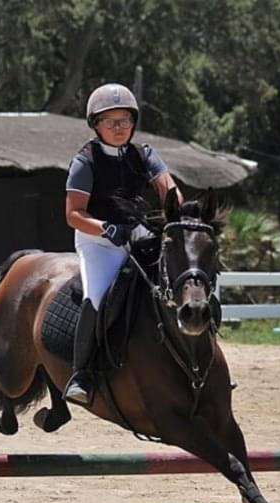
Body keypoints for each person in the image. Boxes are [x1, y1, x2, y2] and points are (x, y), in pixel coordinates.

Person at [63, 83, 183, 405]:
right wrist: (105, 228)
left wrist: (179, 211)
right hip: (97, 242)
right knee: (96, 298)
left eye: (125, 121)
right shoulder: (85, 161)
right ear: (96, 125)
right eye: (111, 122)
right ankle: (81, 374)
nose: (119, 128)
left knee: (183, 279)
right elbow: (73, 215)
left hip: (137, 235)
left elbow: (168, 190)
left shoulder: (144, 155)